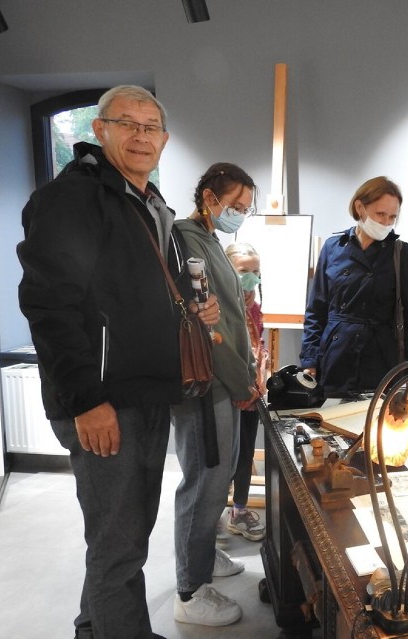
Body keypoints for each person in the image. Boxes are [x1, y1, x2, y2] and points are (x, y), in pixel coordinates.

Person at [17, 85, 219, 639]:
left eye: (150, 126)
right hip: (105, 401)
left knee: (121, 534)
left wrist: (190, 301)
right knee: (119, 544)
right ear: (99, 129)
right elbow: (49, 305)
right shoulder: (74, 198)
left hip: (145, 391)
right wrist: (86, 400)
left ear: (165, 139)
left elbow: (131, 289)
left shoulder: (148, 202)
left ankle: (94, 627)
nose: (139, 135)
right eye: (125, 123)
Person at [172, 163, 260, 627]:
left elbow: (231, 315)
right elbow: (209, 327)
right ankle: (189, 589)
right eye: (235, 206)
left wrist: (247, 372)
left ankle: (203, 557)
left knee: (219, 473)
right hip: (206, 382)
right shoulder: (186, 239)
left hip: (226, 379)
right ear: (210, 197)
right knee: (203, 481)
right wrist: (241, 379)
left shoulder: (211, 241)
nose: (240, 216)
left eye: (245, 209)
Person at [300, 176, 408, 397]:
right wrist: (310, 359)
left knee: (377, 427)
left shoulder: (401, 253)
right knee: (331, 424)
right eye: (380, 214)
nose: (386, 223)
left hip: (381, 361)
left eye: (392, 217)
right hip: (335, 357)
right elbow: (316, 310)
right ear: (360, 207)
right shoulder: (333, 247)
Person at [224, 241, 268, 542]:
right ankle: (210, 516)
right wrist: (242, 385)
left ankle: (239, 512)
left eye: (255, 272)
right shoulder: (221, 305)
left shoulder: (253, 305)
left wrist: (260, 379)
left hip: (253, 395)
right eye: (243, 272)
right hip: (230, 395)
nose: (251, 279)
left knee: (246, 453)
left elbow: (257, 346)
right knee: (224, 458)